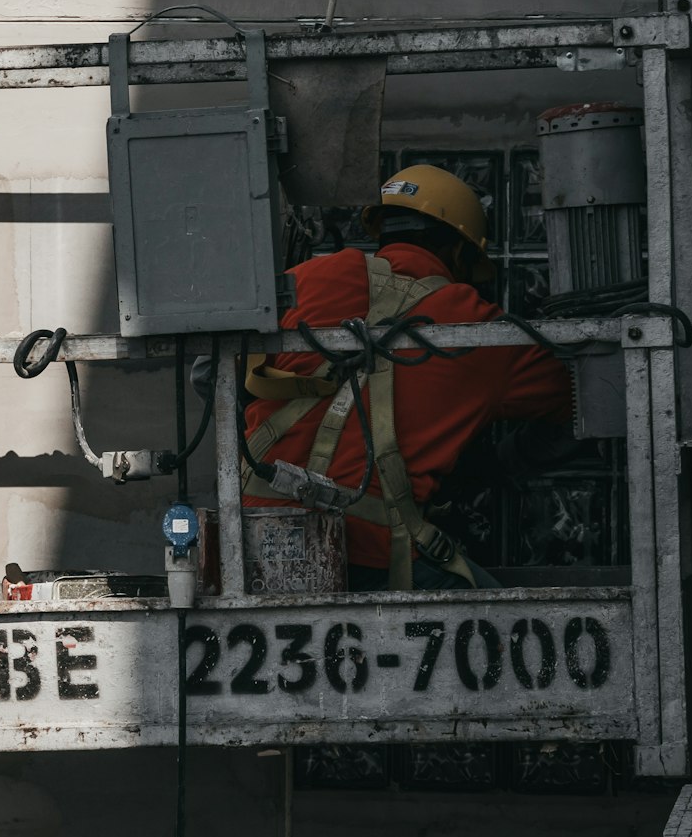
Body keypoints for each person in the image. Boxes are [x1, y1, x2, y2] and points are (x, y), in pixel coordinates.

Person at [241, 163, 573, 590]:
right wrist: (498, 463)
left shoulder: (300, 282)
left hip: (253, 540)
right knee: (511, 628)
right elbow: (583, 402)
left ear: (383, 231)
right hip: (374, 555)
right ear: (459, 253)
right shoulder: (482, 327)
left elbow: (208, 375)